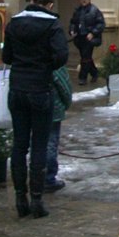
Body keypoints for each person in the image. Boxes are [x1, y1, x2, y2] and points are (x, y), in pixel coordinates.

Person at [2, 0, 68, 219]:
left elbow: (6, 57)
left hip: (17, 88)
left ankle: (21, 198)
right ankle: (37, 200)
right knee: (39, 145)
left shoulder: (14, 23)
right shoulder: (52, 25)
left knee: (19, 144)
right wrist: (44, 63)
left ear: (31, 2)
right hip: (40, 89)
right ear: (49, 4)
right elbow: (62, 57)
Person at [45, 65, 72, 193]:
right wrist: (66, 103)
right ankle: (48, 179)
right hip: (51, 107)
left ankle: (35, 176)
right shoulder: (52, 59)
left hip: (28, 105)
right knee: (50, 143)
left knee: (34, 143)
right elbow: (63, 86)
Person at [69, 0, 105, 85]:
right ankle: (94, 73)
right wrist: (72, 30)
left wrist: (93, 33)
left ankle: (82, 77)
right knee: (86, 57)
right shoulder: (77, 10)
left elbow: (101, 24)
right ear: (80, 0)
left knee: (85, 57)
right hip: (79, 37)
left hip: (89, 38)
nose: (84, 0)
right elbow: (73, 22)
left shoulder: (94, 10)